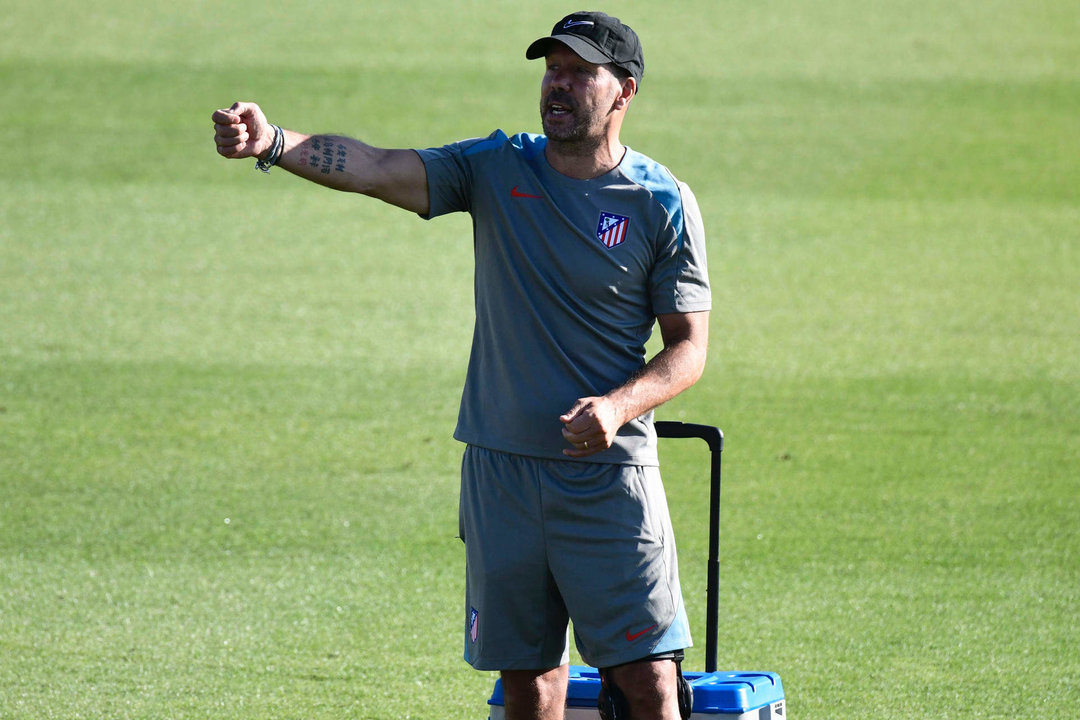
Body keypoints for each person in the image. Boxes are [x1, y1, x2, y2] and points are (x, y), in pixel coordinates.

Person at [212, 11, 710, 720]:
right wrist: (273, 141)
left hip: (608, 476)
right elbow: (378, 167)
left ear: (624, 91)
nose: (557, 85)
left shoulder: (660, 201)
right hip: (501, 470)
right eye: (551, 69)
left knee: (650, 681)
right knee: (528, 680)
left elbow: (688, 347)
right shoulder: (495, 166)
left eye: (578, 72)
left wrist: (618, 408)